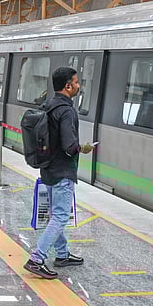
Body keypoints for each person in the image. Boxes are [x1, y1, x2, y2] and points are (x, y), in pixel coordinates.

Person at [24, 67, 93, 279]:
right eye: (76, 82)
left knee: (57, 214)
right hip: (63, 169)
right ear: (68, 86)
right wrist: (83, 148)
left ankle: (62, 255)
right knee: (61, 215)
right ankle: (37, 258)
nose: (79, 85)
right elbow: (69, 145)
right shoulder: (67, 111)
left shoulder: (48, 104)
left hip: (48, 167)